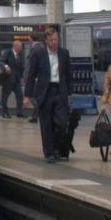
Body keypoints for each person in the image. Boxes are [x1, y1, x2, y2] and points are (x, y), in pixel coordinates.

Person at [24, 27, 72, 163]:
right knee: (46, 124)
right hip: (45, 92)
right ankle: (49, 153)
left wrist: (69, 95)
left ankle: (54, 146)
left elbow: (68, 75)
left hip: (59, 91)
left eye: (56, 39)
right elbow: (31, 75)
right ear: (46, 40)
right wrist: (27, 96)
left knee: (62, 123)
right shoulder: (39, 53)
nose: (54, 42)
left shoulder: (64, 53)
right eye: (51, 40)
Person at [0, 40, 25, 118]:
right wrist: (6, 66)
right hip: (8, 78)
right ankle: (5, 112)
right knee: (5, 96)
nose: (21, 49)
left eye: (21, 47)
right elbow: (1, 61)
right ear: (15, 46)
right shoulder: (8, 52)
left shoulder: (20, 54)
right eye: (19, 47)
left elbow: (20, 67)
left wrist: (21, 77)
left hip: (16, 79)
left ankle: (19, 112)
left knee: (20, 94)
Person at [24, 33, 44, 124]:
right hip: (37, 77)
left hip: (33, 78)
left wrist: (28, 76)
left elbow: (30, 65)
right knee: (36, 96)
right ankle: (35, 117)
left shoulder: (33, 49)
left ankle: (43, 111)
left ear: (30, 38)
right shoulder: (40, 48)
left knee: (32, 97)